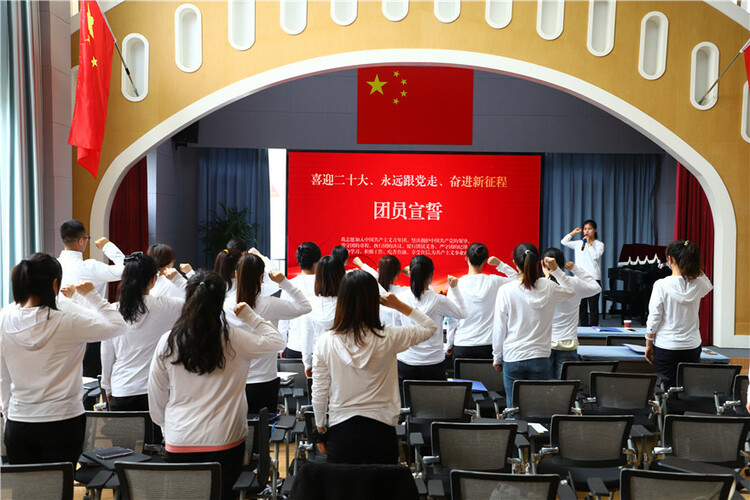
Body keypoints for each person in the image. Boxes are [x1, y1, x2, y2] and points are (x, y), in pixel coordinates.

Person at [148, 271, 285, 500]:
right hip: (225, 439)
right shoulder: (235, 338)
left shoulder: (169, 340)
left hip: (179, 439)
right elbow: (278, 341)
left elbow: (156, 393)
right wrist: (251, 316)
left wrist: (166, 426)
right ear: (222, 301)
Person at [0, 253, 127, 465]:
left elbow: (2, 377)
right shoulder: (68, 320)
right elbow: (118, 325)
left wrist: (7, 413)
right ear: (55, 283)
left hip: (20, 420)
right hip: (63, 420)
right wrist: (91, 295)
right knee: (59, 489)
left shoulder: (4, 318)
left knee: (24, 492)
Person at [311, 270, 437, 464]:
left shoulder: (325, 342)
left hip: (341, 431)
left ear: (342, 299)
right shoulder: (389, 337)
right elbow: (430, 327)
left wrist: (320, 430)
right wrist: (399, 306)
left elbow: (319, 392)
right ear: (374, 301)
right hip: (382, 431)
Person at [492, 243, 575, 407]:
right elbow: (571, 290)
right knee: (537, 409)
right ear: (539, 262)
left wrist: (497, 356)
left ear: (515, 263)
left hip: (513, 356)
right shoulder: (549, 287)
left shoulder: (506, 290)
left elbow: (499, 328)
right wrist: (556, 270)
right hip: (540, 357)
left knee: (513, 408)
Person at [101, 253, 183, 415]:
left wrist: (107, 387)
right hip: (158, 390)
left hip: (122, 391)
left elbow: (106, 353)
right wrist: (177, 279)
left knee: (125, 441)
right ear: (153, 280)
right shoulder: (168, 306)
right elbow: (199, 300)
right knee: (158, 439)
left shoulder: (112, 310)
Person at [229, 253, 311, 414]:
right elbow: (305, 307)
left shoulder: (225, 305)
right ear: (261, 277)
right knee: (263, 433)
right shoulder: (270, 304)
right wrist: (283, 282)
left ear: (237, 274)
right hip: (264, 380)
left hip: (233, 380)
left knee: (236, 433)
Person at [58, 219, 126, 376]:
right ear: (81, 241)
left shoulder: (55, 265)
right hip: (91, 331)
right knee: (91, 383)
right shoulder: (89, 267)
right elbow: (126, 269)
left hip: (62, 330)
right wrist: (108, 247)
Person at [644, 240, 712, 389]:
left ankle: (669, 411)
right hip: (691, 346)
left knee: (668, 389)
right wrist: (693, 267)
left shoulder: (661, 285)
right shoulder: (699, 284)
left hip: (666, 346)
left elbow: (654, 317)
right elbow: (708, 284)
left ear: (670, 259)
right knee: (687, 387)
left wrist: (649, 343)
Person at [395, 255, 466, 384]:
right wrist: (454, 289)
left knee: (406, 402)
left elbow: (397, 328)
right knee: (434, 402)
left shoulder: (400, 299)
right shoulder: (439, 300)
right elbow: (462, 313)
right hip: (433, 361)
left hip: (406, 360)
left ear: (410, 273)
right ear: (432, 274)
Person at [446, 243, 518, 360]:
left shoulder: (456, 284)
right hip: (489, 346)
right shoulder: (494, 281)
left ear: (466, 258)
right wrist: (500, 265)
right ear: (485, 260)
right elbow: (518, 280)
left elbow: (452, 320)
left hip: (462, 345)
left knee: (462, 379)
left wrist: (449, 344)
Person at [542, 247, 601, 378]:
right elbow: (596, 288)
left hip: (544, 344)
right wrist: (576, 269)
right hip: (568, 344)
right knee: (565, 388)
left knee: (544, 387)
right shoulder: (574, 283)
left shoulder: (541, 285)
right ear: (563, 264)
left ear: (542, 264)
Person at [303, 256, 346, 375]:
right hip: (345, 359)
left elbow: (307, 335)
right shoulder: (348, 303)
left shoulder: (310, 303)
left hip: (319, 357)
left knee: (320, 392)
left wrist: (307, 363)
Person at [279, 242, 321, 359]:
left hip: (294, 346)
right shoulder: (324, 285)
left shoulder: (289, 285)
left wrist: (282, 347)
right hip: (319, 348)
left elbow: (283, 322)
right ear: (317, 262)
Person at [561, 220, 604, 326]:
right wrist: (573, 232)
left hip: (593, 278)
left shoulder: (599, 244)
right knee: (581, 306)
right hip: (579, 278)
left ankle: (594, 329)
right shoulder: (578, 243)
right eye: (585, 229)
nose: (587, 231)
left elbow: (595, 257)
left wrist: (589, 244)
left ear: (595, 230)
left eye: (589, 229)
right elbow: (564, 242)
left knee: (593, 306)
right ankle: (584, 328)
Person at [353, 254, 407, 326]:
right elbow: (425, 287)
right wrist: (411, 272)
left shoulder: (368, 290)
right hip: (397, 334)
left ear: (378, 271)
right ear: (398, 273)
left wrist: (361, 264)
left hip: (374, 332)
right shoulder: (405, 292)